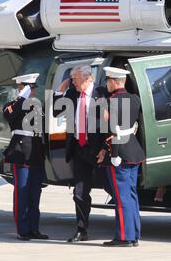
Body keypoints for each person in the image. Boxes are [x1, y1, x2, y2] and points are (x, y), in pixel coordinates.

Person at [54, 65, 109, 242]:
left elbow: (111, 122)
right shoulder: (72, 93)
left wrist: (105, 148)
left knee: (113, 188)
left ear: (88, 78)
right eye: (72, 79)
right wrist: (59, 91)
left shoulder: (101, 94)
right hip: (79, 149)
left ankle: (127, 229)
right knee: (79, 192)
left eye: (75, 79)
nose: (73, 83)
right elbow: (56, 111)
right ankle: (81, 229)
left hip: (98, 150)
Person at [97, 67, 145, 247]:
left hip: (120, 154)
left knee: (121, 198)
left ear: (114, 82)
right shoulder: (135, 99)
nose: (106, 84)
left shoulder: (109, 102)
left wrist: (113, 154)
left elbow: (114, 131)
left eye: (108, 80)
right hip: (134, 150)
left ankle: (124, 237)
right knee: (131, 196)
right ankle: (134, 235)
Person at [3, 73, 48, 241]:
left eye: (34, 88)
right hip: (20, 154)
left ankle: (34, 229)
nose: (33, 91)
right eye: (30, 88)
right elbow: (9, 115)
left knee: (34, 195)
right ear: (21, 88)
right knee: (22, 194)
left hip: (35, 155)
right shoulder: (13, 105)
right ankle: (22, 230)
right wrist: (21, 98)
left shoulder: (37, 106)